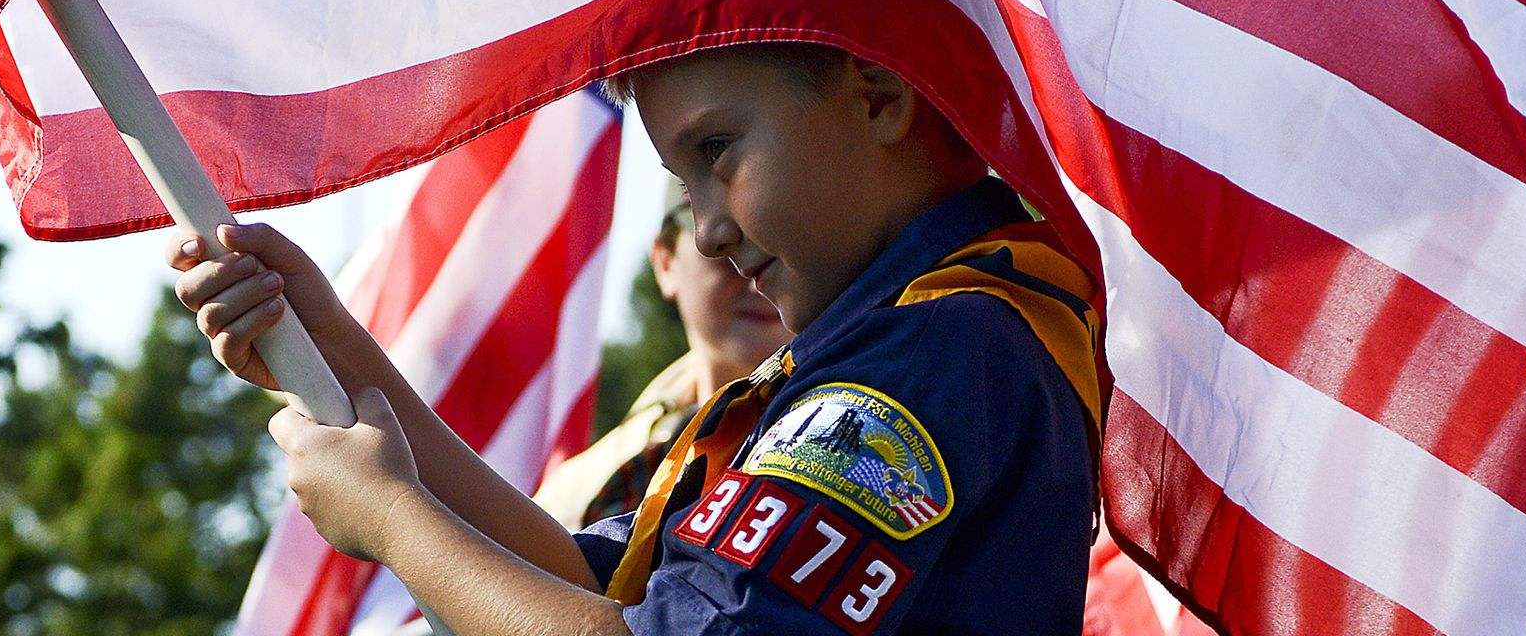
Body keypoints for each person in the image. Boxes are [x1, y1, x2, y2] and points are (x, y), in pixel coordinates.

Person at [169, 42, 1102, 634]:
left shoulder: (931, 353)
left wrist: (393, 522)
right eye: (683, 182)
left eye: (717, 151)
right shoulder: (916, 344)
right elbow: (593, 582)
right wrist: (336, 351)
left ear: (880, 94)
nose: (708, 230)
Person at [534, 180, 787, 530]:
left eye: (779, 248)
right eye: (728, 249)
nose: (756, 279)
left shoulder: (852, 421)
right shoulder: (591, 483)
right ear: (665, 263)